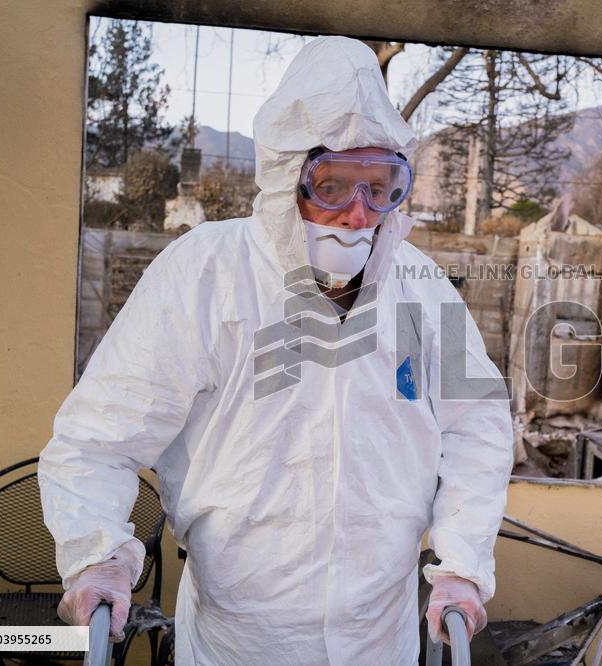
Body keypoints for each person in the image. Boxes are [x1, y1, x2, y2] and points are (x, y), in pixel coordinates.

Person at [39, 36, 513, 665]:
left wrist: (462, 562)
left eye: (380, 187)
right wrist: (96, 557)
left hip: (381, 637)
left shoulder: (421, 289)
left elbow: (478, 425)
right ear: (288, 177)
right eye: (334, 186)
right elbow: (98, 441)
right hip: (240, 639)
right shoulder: (206, 274)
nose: (357, 215)